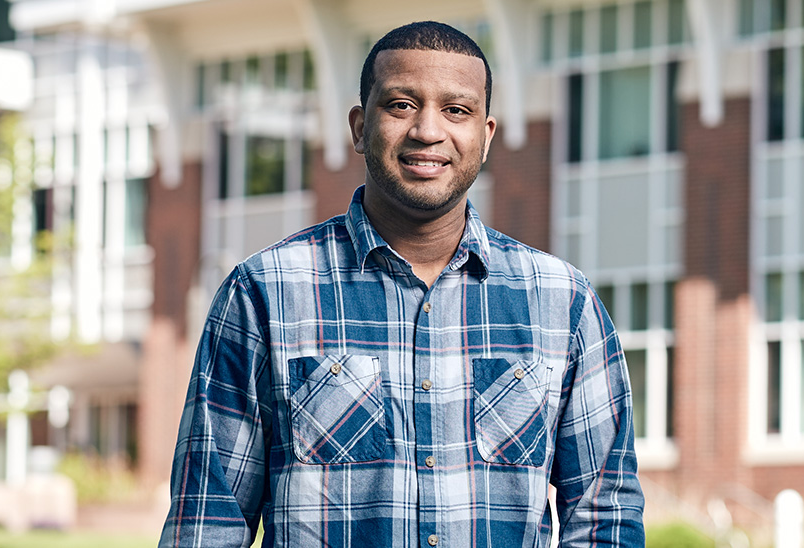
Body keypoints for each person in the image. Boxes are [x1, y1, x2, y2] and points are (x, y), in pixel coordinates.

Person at [159, 21, 644, 548]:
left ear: (485, 137)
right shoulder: (264, 293)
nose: (428, 131)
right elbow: (207, 523)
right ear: (359, 126)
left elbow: (605, 519)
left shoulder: (564, 303)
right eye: (401, 105)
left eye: (456, 110)